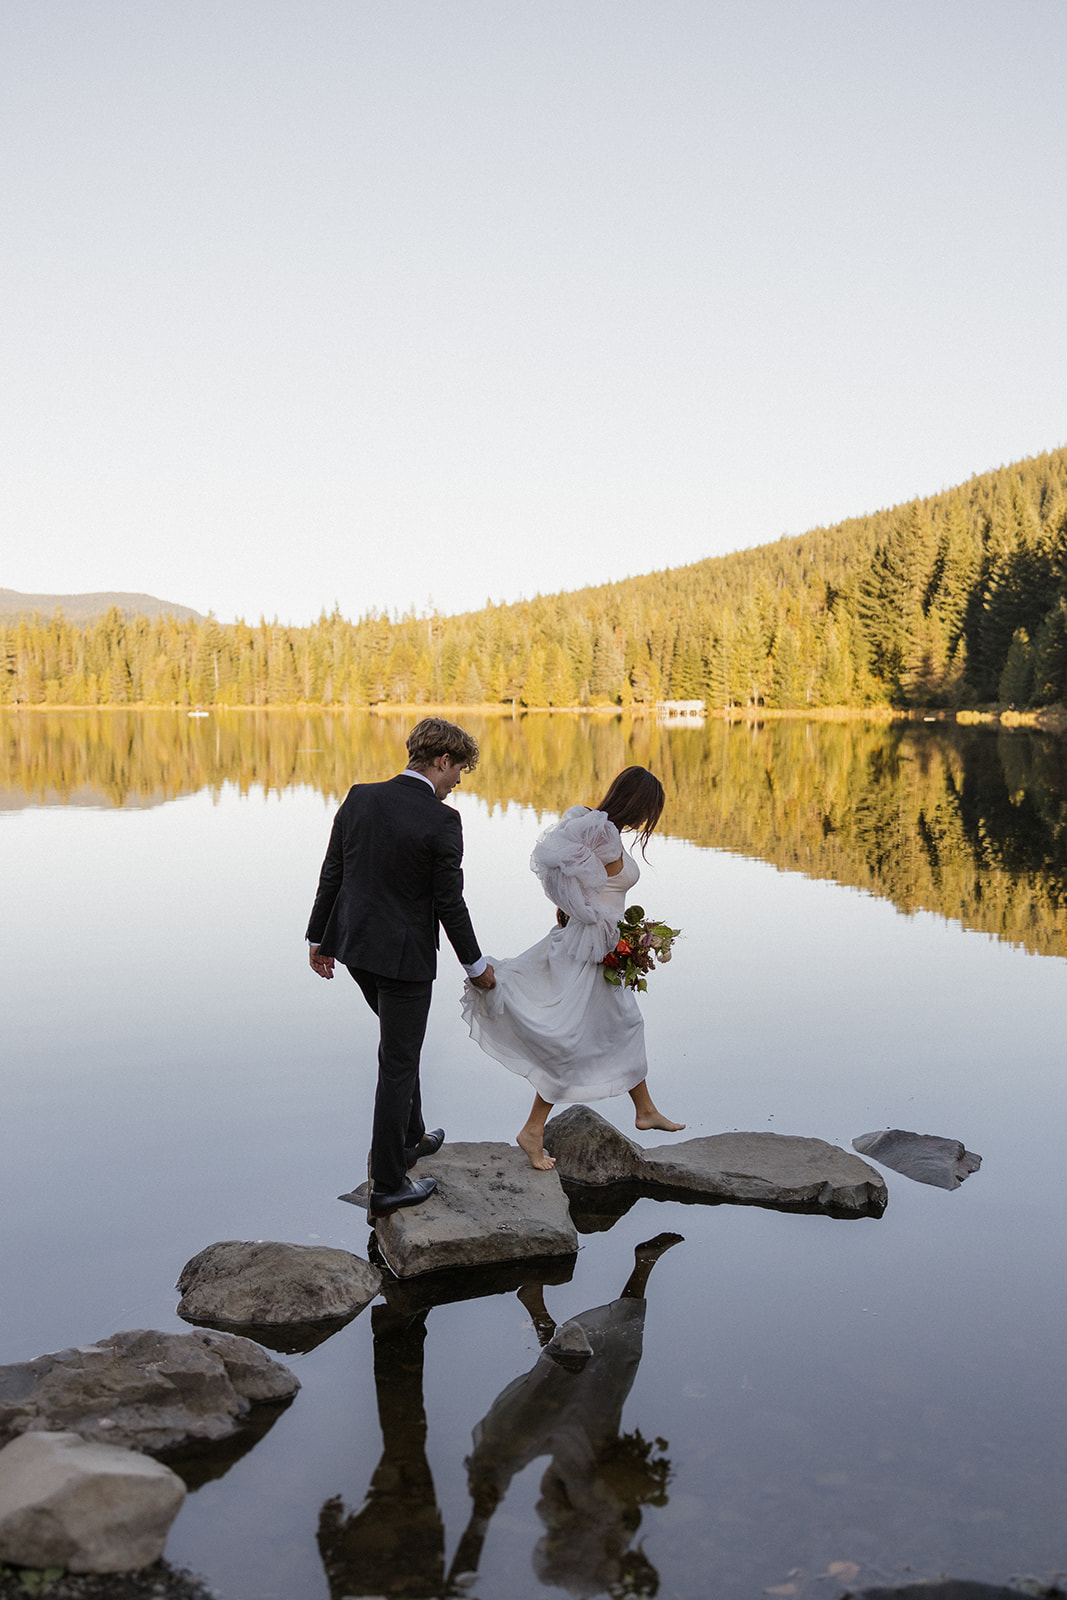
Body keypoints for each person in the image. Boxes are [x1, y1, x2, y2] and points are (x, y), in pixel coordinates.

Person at [306, 717, 495, 1221]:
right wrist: (476, 966)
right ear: (440, 761)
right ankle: (389, 1184)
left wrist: (319, 940)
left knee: (397, 1048)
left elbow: (334, 871)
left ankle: (411, 1138)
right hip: (405, 962)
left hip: (355, 951)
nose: (458, 782)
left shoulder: (360, 797)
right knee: (398, 1063)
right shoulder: (442, 820)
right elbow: (449, 903)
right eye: (459, 771)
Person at [462, 766, 683, 1171]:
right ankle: (535, 1129)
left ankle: (644, 1109)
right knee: (581, 1035)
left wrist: (576, 911)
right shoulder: (602, 832)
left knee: (620, 1025)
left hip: (593, 946)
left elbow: (573, 880)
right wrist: (595, 923)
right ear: (637, 803)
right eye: (648, 811)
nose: (645, 821)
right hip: (592, 952)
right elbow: (564, 875)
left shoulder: (588, 822)